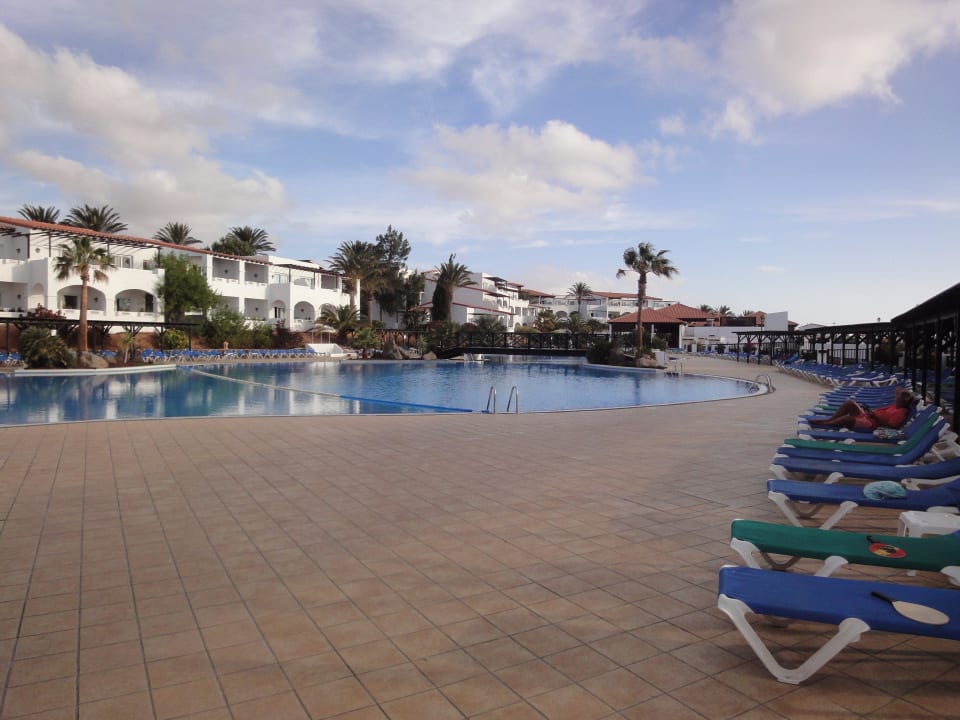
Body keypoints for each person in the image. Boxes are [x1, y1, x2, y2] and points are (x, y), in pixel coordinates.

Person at [807, 386, 916, 430]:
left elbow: (890, 428)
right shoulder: (896, 406)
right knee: (849, 403)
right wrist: (871, 413)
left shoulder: (901, 412)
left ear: (903, 402)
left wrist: (875, 417)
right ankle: (829, 420)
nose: (895, 398)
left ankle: (825, 424)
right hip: (868, 417)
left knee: (847, 419)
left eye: (897, 398)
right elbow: (898, 391)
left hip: (872, 424)